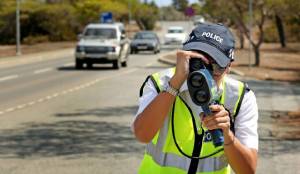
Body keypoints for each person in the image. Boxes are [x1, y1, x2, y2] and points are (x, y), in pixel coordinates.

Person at [132, 23, 258, 174]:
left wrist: (227, 135)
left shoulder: (239, 96)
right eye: (198, 63)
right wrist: (175, 84)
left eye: (216, 66)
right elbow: (142, 134)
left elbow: (248, 170)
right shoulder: (160, 83)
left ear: (228, 67)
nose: (207, 73)